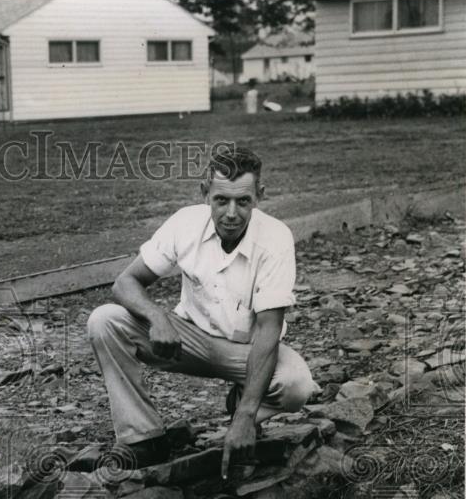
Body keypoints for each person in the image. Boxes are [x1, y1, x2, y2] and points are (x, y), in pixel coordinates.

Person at [86, 145, 319, 479]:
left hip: (249, 351)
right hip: (188, 340)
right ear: (204, 193)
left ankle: (241, 406)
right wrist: (158, 317)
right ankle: (144, 437)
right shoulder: (185, 223)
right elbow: (126, 282)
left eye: (244, 201)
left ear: (260, 195)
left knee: (297, 385)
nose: (232, 213)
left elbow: (269, 330)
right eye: (221, 200)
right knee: (104, 320)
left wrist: (244, 417)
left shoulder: (276, 237)